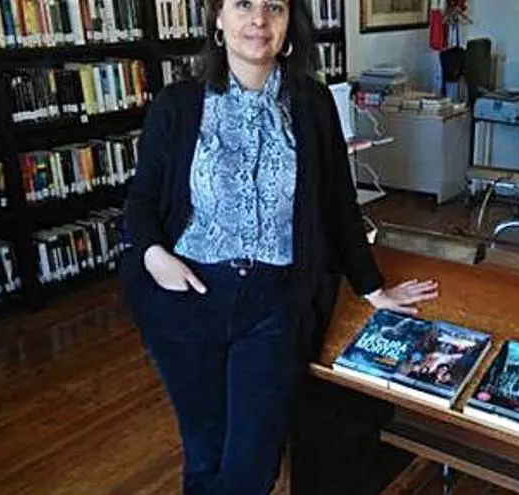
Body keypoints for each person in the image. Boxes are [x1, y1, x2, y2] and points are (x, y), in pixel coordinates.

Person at [119, 0, 439, 493]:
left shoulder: (311, 103)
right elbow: (141, 200)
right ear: (217, 18)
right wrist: (153, 254)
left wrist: (373, 288)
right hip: (185, 300)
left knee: (252, 467)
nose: (259, 20)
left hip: (273, 307)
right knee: (205, 455)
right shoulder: (177, 105)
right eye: (243, 4)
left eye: (275, 7)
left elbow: (338, 204)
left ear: (291, 23)